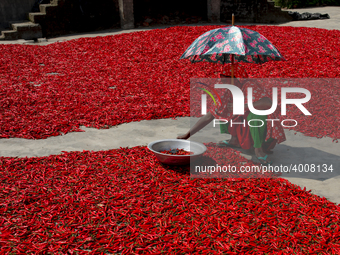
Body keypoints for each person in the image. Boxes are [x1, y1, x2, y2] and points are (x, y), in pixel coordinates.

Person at [177, 64, 286, 164]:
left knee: (254, 116)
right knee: (222, 109)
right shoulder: (229, 92)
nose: (223, 83)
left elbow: (268, 103)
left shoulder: (249, 86)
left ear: (236, 78)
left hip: (264, 128)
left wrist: (243, 107)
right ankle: (235, 140)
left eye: (226, 79)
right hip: (246, 125)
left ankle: (259, 149)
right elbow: (210, 115)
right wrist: (188, 134)